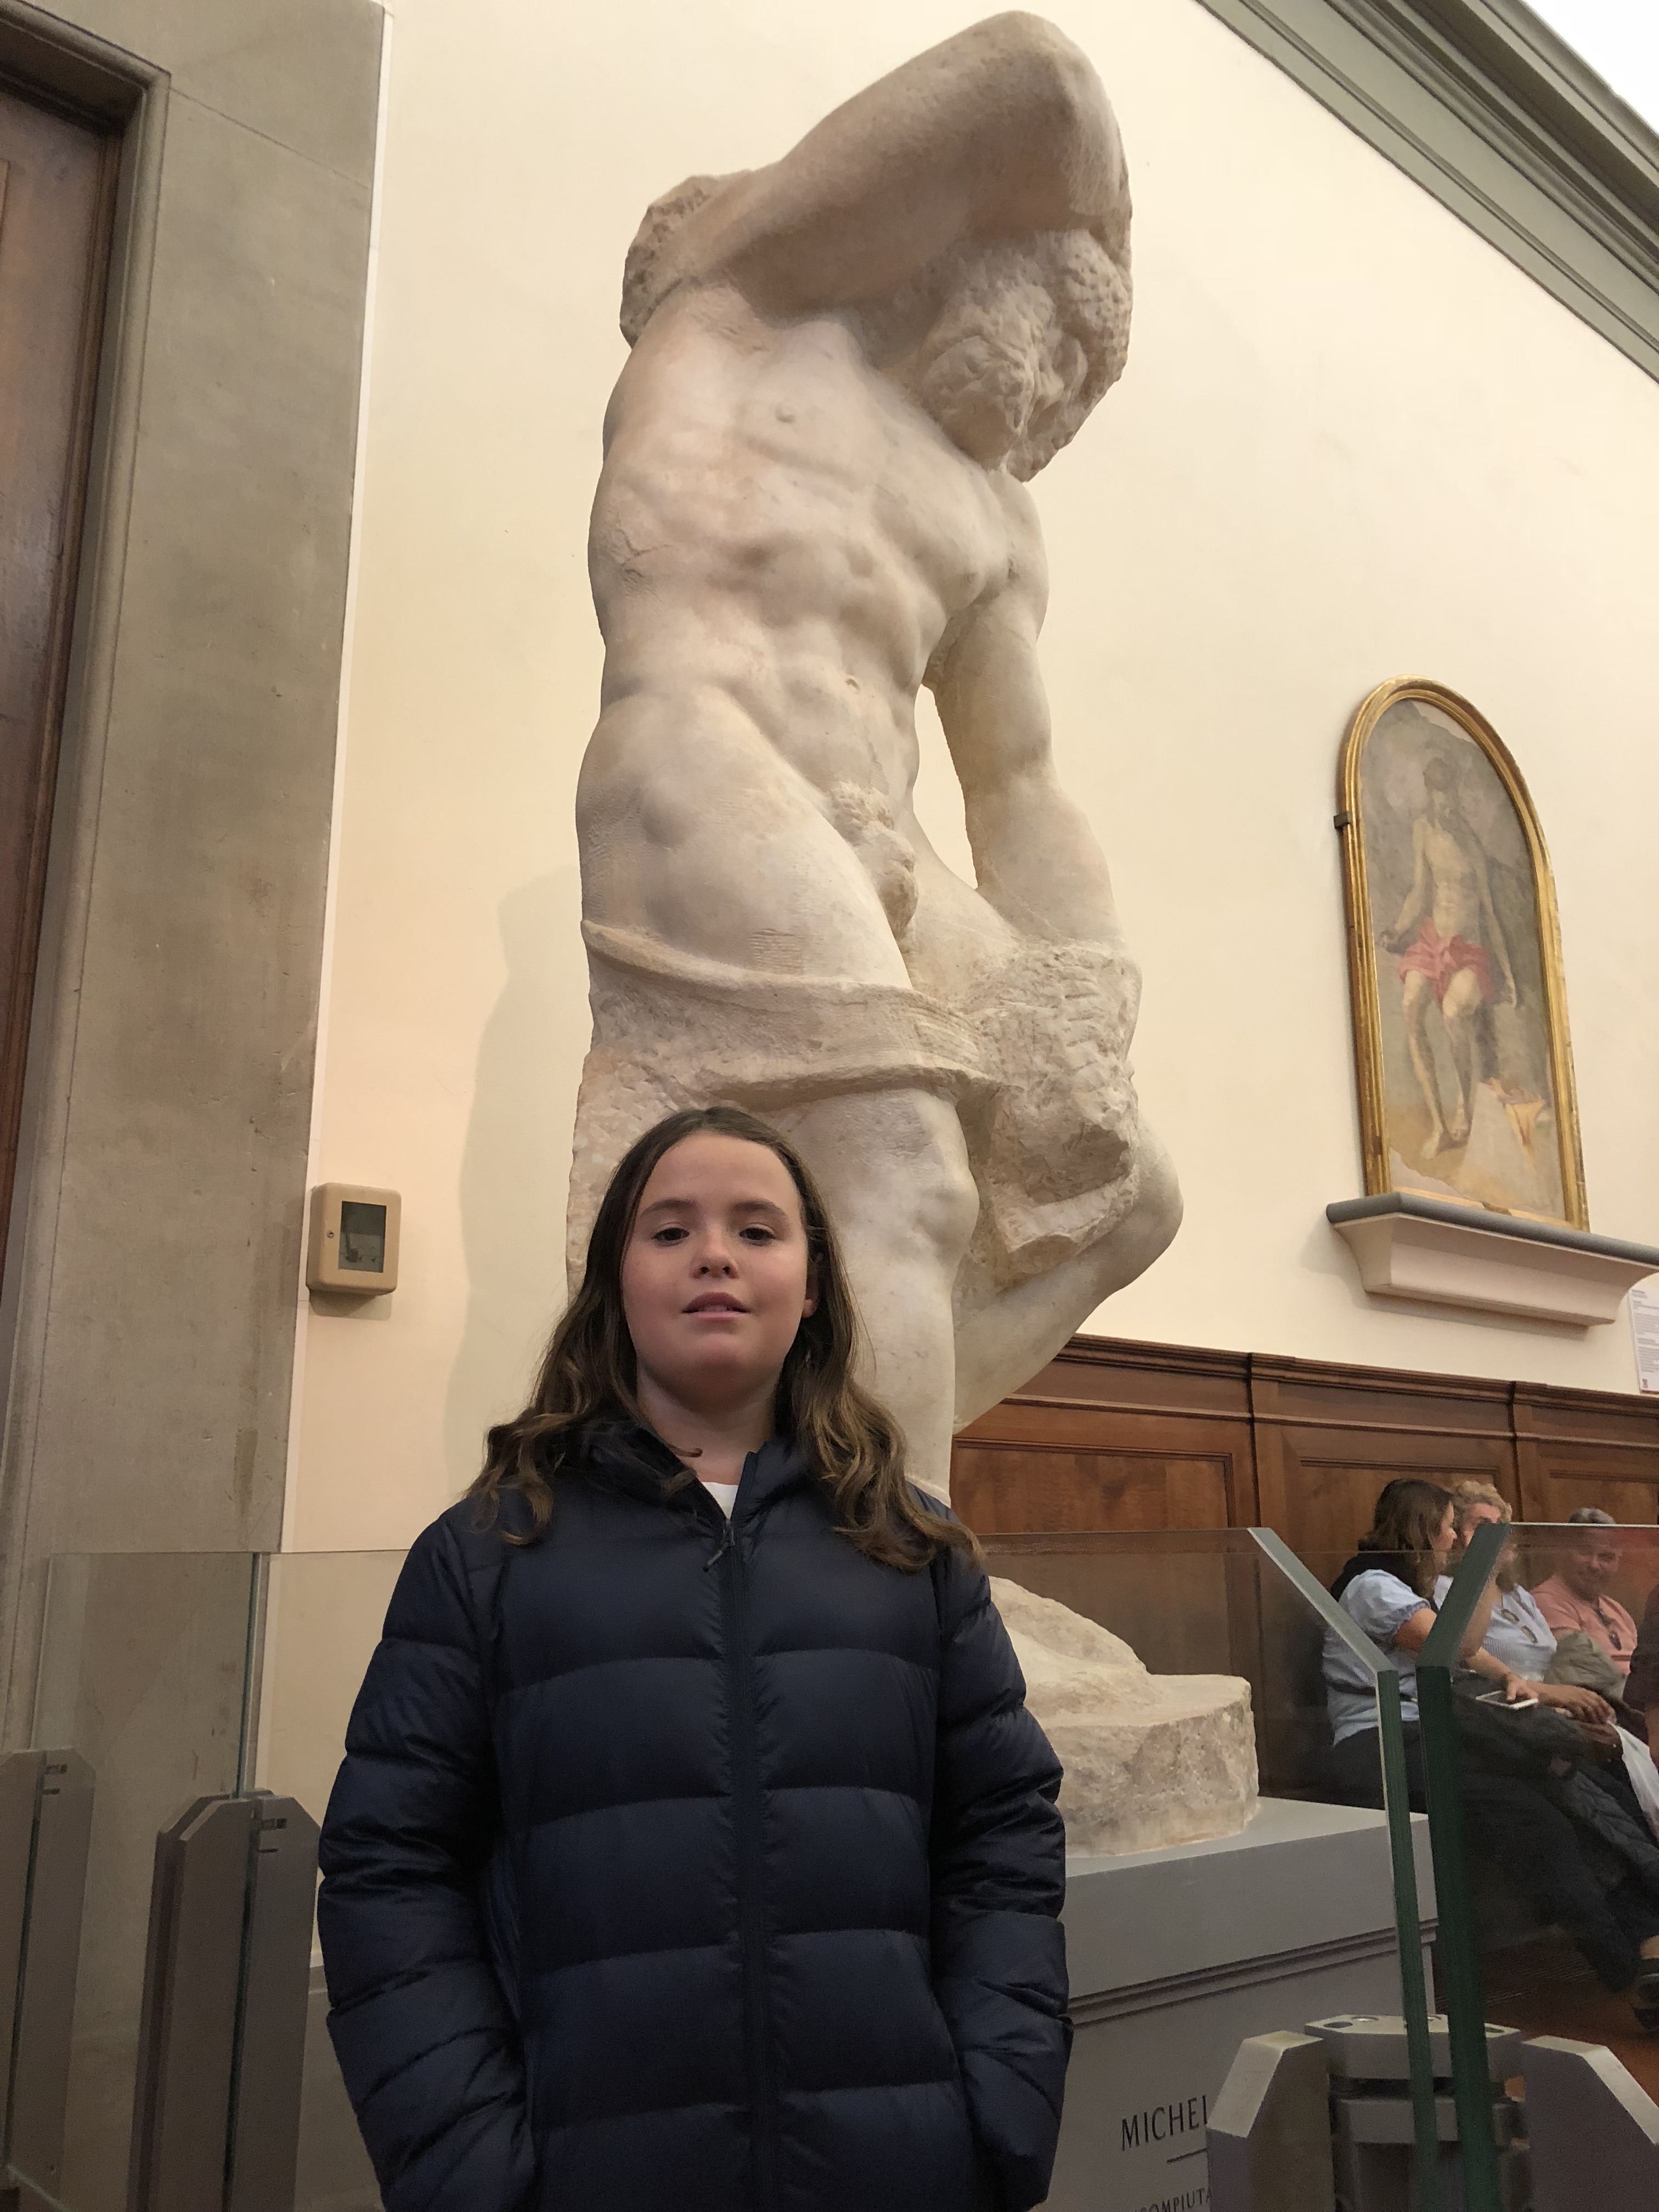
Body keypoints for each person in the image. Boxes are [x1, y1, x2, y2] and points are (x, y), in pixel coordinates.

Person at [571, 16, 1181, 1500]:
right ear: (978, 251)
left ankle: (813, 1467)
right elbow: (1039, 79)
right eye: (1061, 342)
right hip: (712, 762)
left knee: (1126, 1196)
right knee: (904, 1172)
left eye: (1082, 385)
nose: (1053, 400)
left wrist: (1085, 1000)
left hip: (887, 842)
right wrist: (1102, 235)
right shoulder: (735, 301)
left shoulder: (994, 514)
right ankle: (883, 1577)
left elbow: (1018, 784)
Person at [317, 1105, 1070, 2212]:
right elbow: (390, 1866)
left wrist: (997, 2110)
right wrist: (470, 2168)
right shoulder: (487, 1554)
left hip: (895, 2167)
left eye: (757, 1229)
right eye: (669, 1230)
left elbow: (1001, 1834)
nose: (714, 1253)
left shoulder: (912, 1548)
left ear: (810, 1287)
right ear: (614, 1282)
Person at [1323, 1480, 1659, 2023]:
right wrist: (1482, 1569)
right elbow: (1454, 1645)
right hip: (1382, 1743)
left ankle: (1648, 1941)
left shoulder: (1400, 1586)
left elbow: (1473, 1656)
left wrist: (1513, 1680)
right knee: (1541, 1824)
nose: (1455, 1539)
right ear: (1424, 1529)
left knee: (1575, 1793)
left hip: (1432, 1733)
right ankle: (1626, 1976)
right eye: (1449, 1528)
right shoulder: (1372, 1586)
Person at [1379, 754, 1517, 1157]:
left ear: (1455, 795)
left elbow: (1489, 912)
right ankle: (1439, 1125)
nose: (1445, 807)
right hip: (1431, 942)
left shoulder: (1471, 845)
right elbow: (1420, 889)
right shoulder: (1423, 830)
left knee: (1454, 1013)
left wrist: (1507, 973)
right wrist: (1398, 928)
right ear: (1431, 796)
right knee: (1410, 1006)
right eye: (1438, 798)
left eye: (1449, 797)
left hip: (1468, 949)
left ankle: (1464, 1108)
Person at [1434, 1481, 1612, 1724]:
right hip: (1503, 1712)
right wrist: (1552, 1695)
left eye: (1501, 1528)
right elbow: (1464, 1660)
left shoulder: (1518, 1595)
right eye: (1483, 1527)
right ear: (1456, 1535)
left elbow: (1551, 1656)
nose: (1496, 1537)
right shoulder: (1444, 1588)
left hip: (1555, 1705)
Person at [1533, 1508, 1638, 1678]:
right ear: (1563, 1551)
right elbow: (1586, 1672)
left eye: (1606, 1557)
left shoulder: (1617, 1610)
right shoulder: (1544, 1602)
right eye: (1585, 1552)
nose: (1594, 1565)